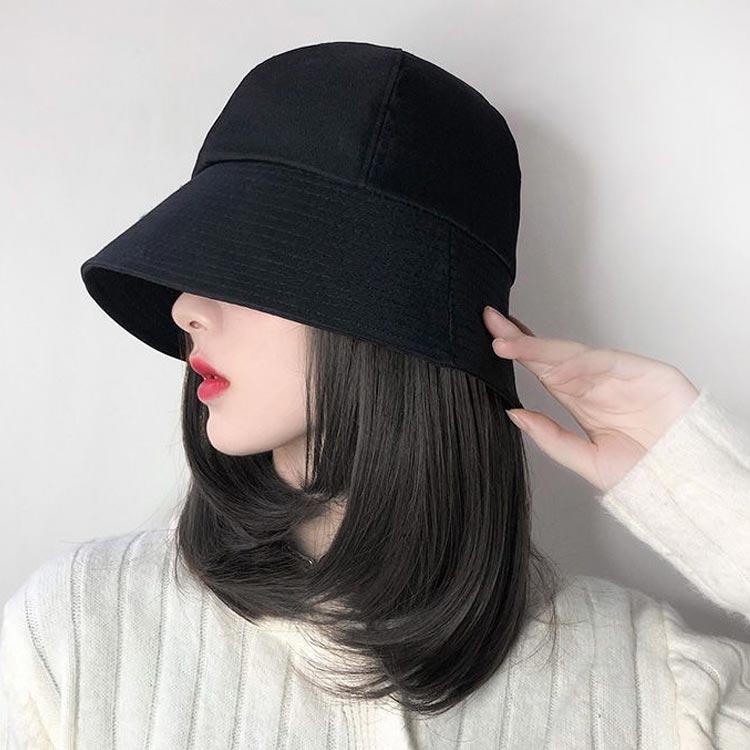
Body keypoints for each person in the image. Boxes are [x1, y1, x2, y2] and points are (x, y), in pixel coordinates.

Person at [1, 295, 748, 748]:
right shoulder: (78, 628)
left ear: (400, 309)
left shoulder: (647, 677)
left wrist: (704, 490)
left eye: (253, 264)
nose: (186, 308)